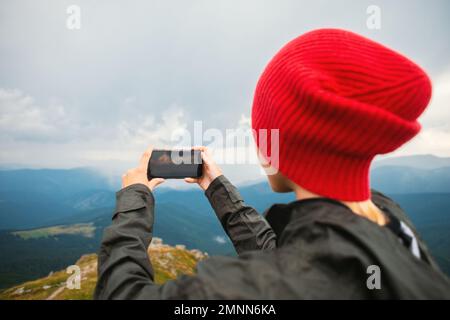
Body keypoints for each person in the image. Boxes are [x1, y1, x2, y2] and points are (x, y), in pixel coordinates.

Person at [94, 29, 450, 299]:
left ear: (280, 145)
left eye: (260, 130)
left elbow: (122, 294)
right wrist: (215, 185)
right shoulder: (389, 221)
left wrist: (134, 201)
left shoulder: (268, 290)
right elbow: (288, 257)